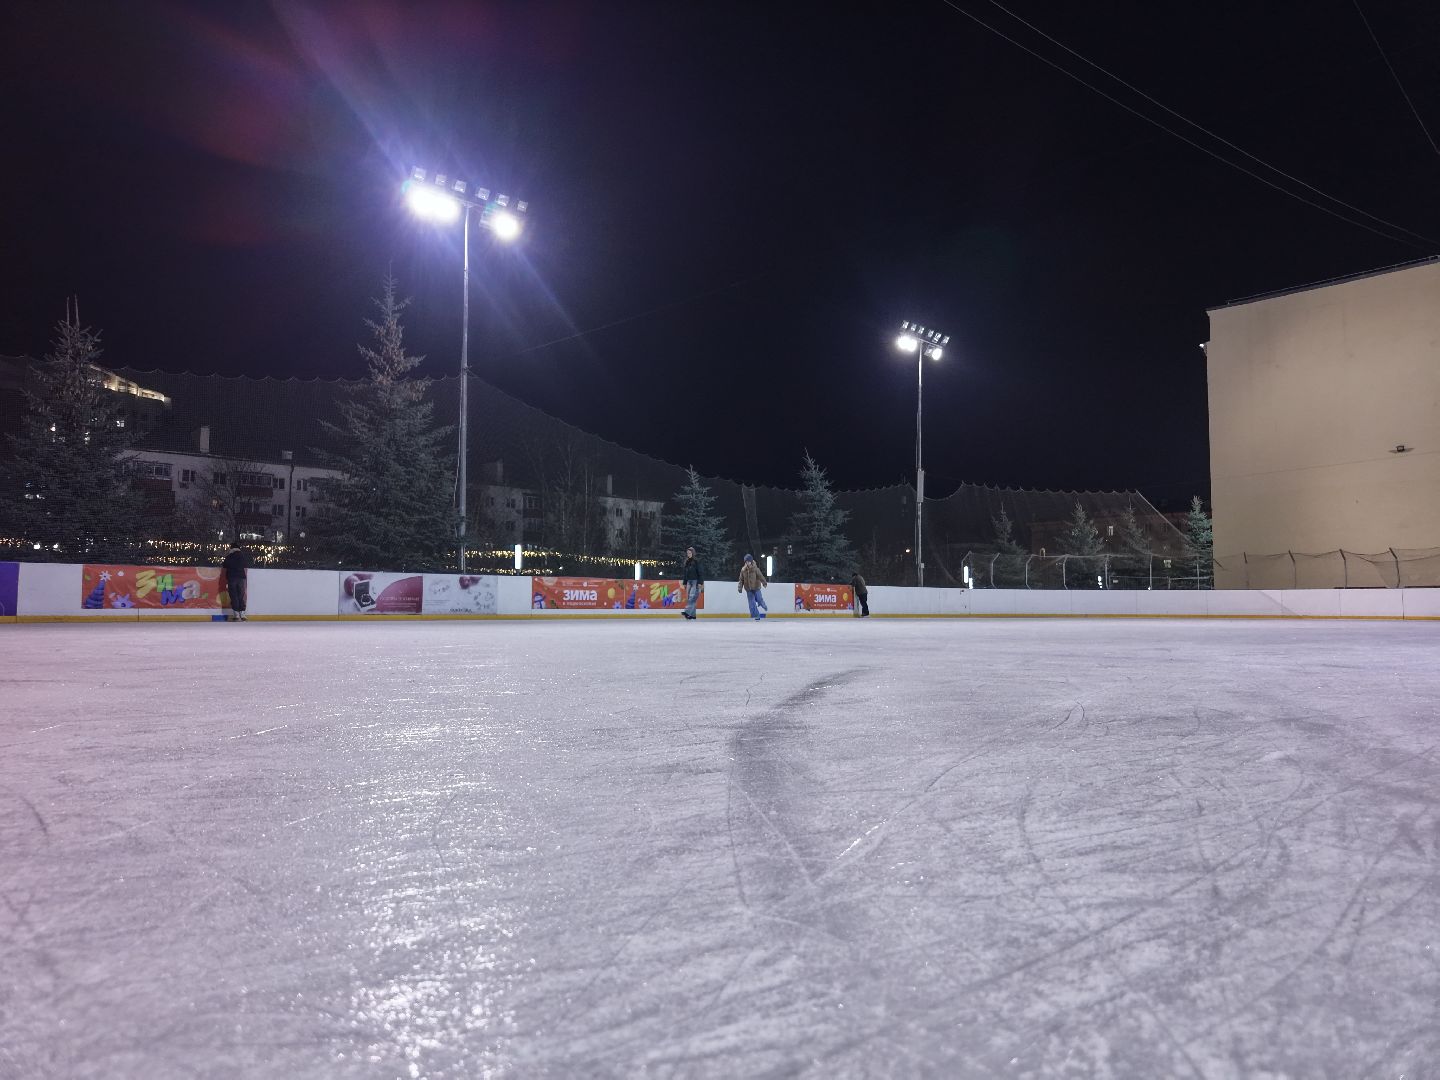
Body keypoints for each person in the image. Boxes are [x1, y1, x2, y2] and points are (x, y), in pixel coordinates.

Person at [221, 542, 252, 622]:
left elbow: (224, 565)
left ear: (231, 548)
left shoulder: (230, 556)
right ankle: (243, 614)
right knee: (241, 596)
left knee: (234, 596)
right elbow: (245, 564)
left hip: (232, 578)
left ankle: (236, 615)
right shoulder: (242, 556)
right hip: (241, 578)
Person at [738, 553, 768, 619]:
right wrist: (740, 587)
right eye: (746, 562)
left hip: (756, 587)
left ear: (751, 561)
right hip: (748, 589)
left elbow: (761, 576)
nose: (747, 563)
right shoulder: (743, 570)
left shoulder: (755, 569)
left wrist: (764, 583)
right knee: (752, 604)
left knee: (759, 599)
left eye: (748, 561)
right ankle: (756, 615)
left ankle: (763, 604)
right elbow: (741, 579)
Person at [681, 546, 704, 620]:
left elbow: (700, 572)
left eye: (690, 553)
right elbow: (685, 573)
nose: (688, 554)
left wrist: (700, 582)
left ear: (693, 553)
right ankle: (693, 615)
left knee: (692, 597)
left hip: (695, 581)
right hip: (688, 581)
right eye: (687, 553)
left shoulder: (697, 561)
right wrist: (684, 582)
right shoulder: (687, 562)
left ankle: (687, 612)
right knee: (690, 599)